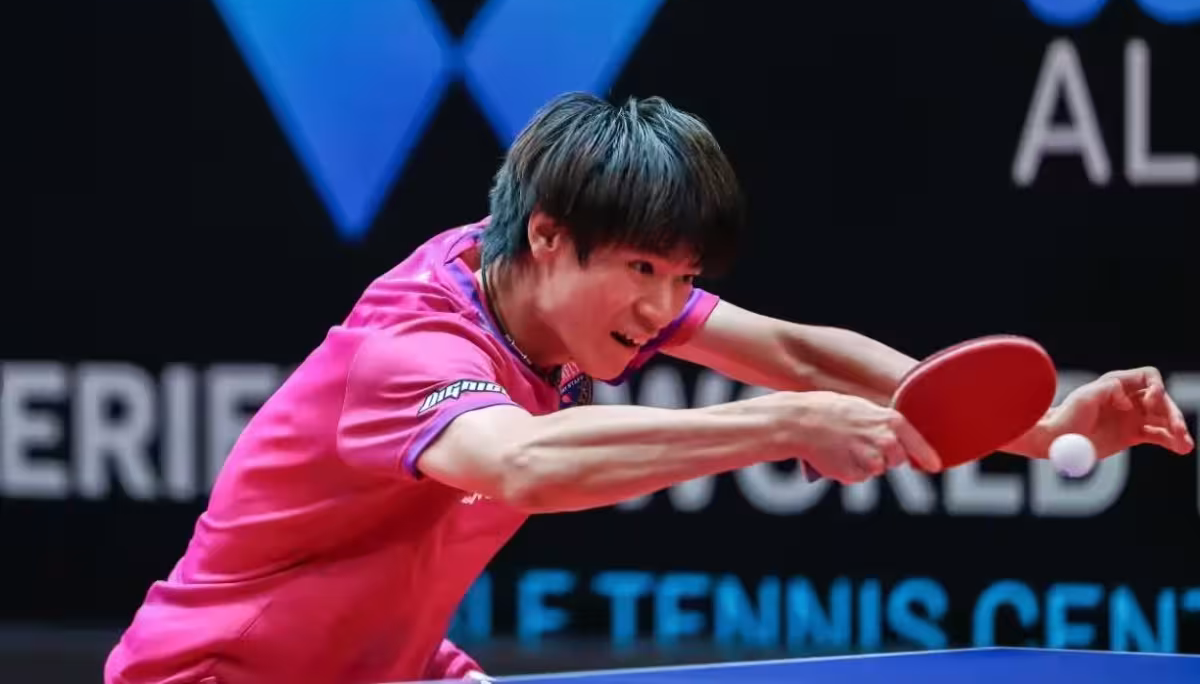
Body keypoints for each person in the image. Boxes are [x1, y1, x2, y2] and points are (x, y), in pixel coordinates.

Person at [105, 92, 1194, 684]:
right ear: (547, 235)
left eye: (683, 277)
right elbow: (521, 464)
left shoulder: (565, 292)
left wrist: (1037, 428)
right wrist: (781, 429)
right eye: (643, 271)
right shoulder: (412, 349)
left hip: (381, 667)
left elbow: (802, 356)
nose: (664, 304)